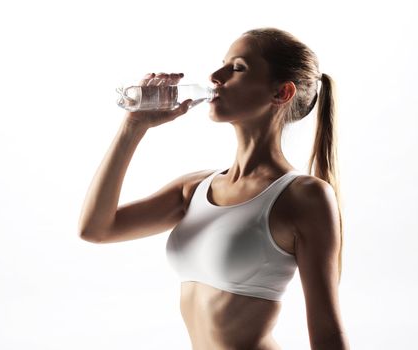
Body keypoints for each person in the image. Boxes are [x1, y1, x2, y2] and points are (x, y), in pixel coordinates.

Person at [78, 27, 350, 350]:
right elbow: (96, 228)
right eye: (223, 64)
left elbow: (328, 335)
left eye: (237, 68)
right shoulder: (194, 189)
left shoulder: (304, 197)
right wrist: (133, 126)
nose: (215, 75)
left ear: (282, 93)